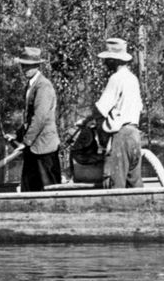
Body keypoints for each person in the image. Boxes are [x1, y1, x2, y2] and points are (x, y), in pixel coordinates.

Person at [75, 38, 143, 189]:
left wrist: (86, 121)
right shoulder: (133, 79)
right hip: (135, 135)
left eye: (107, 60)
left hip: (121, 136)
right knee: (134, 184)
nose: (104, 63)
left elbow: (101, 108)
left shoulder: (116, 78)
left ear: (114, 60)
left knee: (114, 183)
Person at [14, 47, 61, 191]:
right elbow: (29, 116)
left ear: (37, 65)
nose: (25, 69)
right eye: (23, 65)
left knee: (49, 189)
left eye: (29, 65)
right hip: (33, 146)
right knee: (29, 189)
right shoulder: (30, 86)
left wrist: (26, 141)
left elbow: (40, 117)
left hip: (44, 147)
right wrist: (18, 135)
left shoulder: (43, 86)